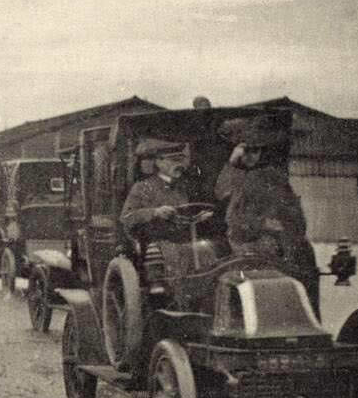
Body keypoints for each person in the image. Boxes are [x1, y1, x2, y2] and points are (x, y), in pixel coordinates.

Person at [216, 115, 319, 309]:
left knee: (304, 257)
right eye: (247, 150)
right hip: (250, 245)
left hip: (282, 245)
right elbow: (231, 212)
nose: (252, 156)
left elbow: (294, 215)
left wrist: (286, 230)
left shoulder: (273, 177)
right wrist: (232, 164)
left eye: (257, 150)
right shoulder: (238, 178)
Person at [120, 138, 205, 287]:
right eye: (173, 160)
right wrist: (154, 212)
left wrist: (198, 218)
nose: (179, 165)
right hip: (155, 243)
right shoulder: (142, 188)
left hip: (184, 242)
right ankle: (159, 288)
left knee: (207, 252)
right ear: (158, 162)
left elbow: (182, 217)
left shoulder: (183, 187)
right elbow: (126, 217)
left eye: (180, 159)